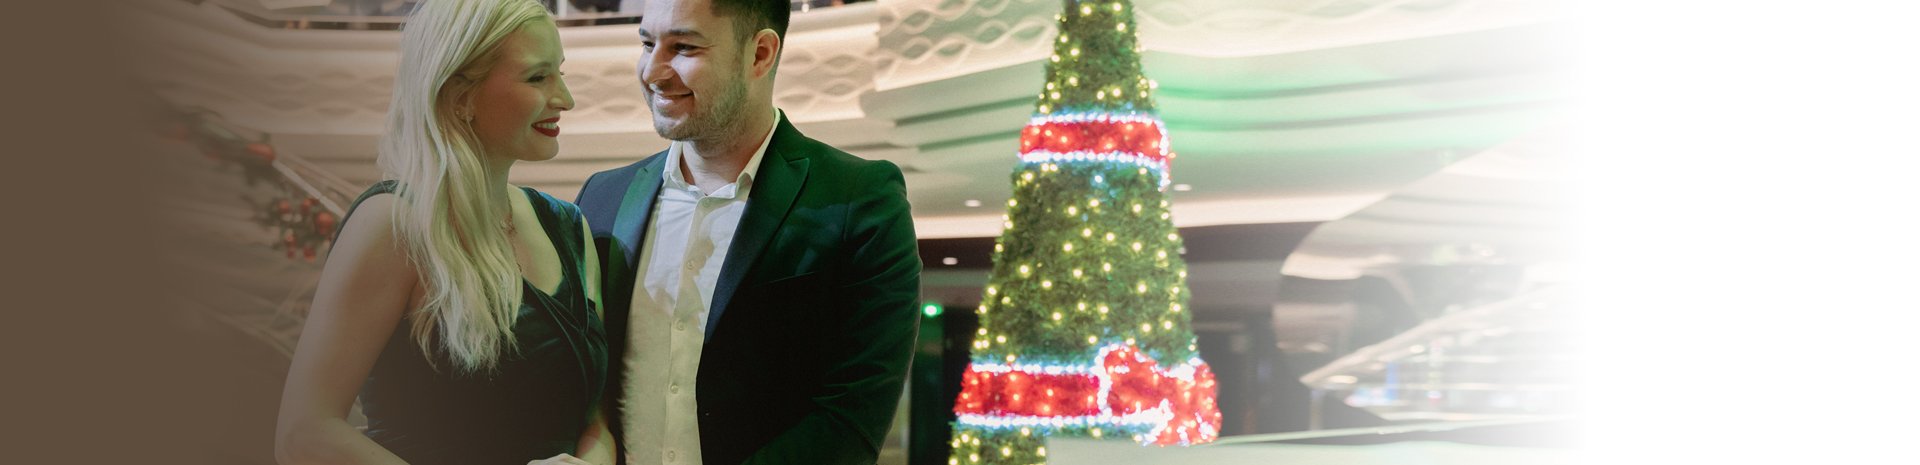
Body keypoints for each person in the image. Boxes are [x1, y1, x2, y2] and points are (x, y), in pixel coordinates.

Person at [572, 0, 922, 463]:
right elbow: (580, 386)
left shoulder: (859, 198)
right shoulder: (602, 198)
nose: (653, 71)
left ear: (760, 53)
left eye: (683, 46)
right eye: (646, 43)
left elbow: (850, 417)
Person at [274, 1, 615, 464]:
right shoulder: (394, 223)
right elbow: (305, 432)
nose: (565, 99)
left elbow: (591, 420)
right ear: (460, 94)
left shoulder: (568, 225)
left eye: (560, 72)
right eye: (538, 77)